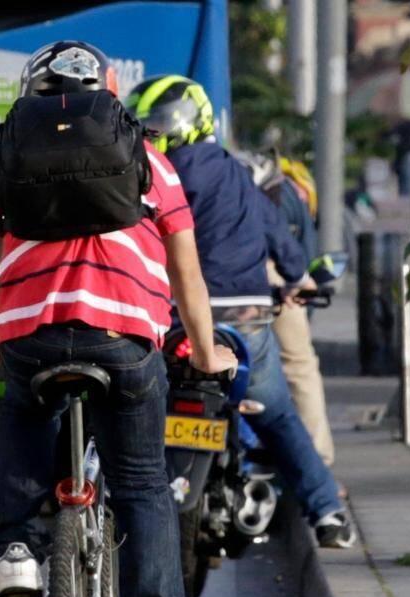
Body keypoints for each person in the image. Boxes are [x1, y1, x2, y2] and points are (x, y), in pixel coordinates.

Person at [0, 41, 235, 597]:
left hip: (35, 333)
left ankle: (19, 550)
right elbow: (186, 272)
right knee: (141, 482)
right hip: (127, 335)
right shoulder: (149, 160)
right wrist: (209, 349)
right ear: (107, 90)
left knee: (24, 409)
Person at [127, 75, 356, 548]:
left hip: (170, 318)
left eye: (154, 129)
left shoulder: (152, 176)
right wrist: (298, 279)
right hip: (244, 320)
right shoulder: (234, 172)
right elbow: (276, 231)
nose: (150, 138)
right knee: (275, 416)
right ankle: (328, 512)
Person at [235, 149, 337, 466]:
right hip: (272, 272)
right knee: (299, 365)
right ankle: (318, 462)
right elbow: (299, 256)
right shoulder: (289, 192)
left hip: (213, 274)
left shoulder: (226, 168)